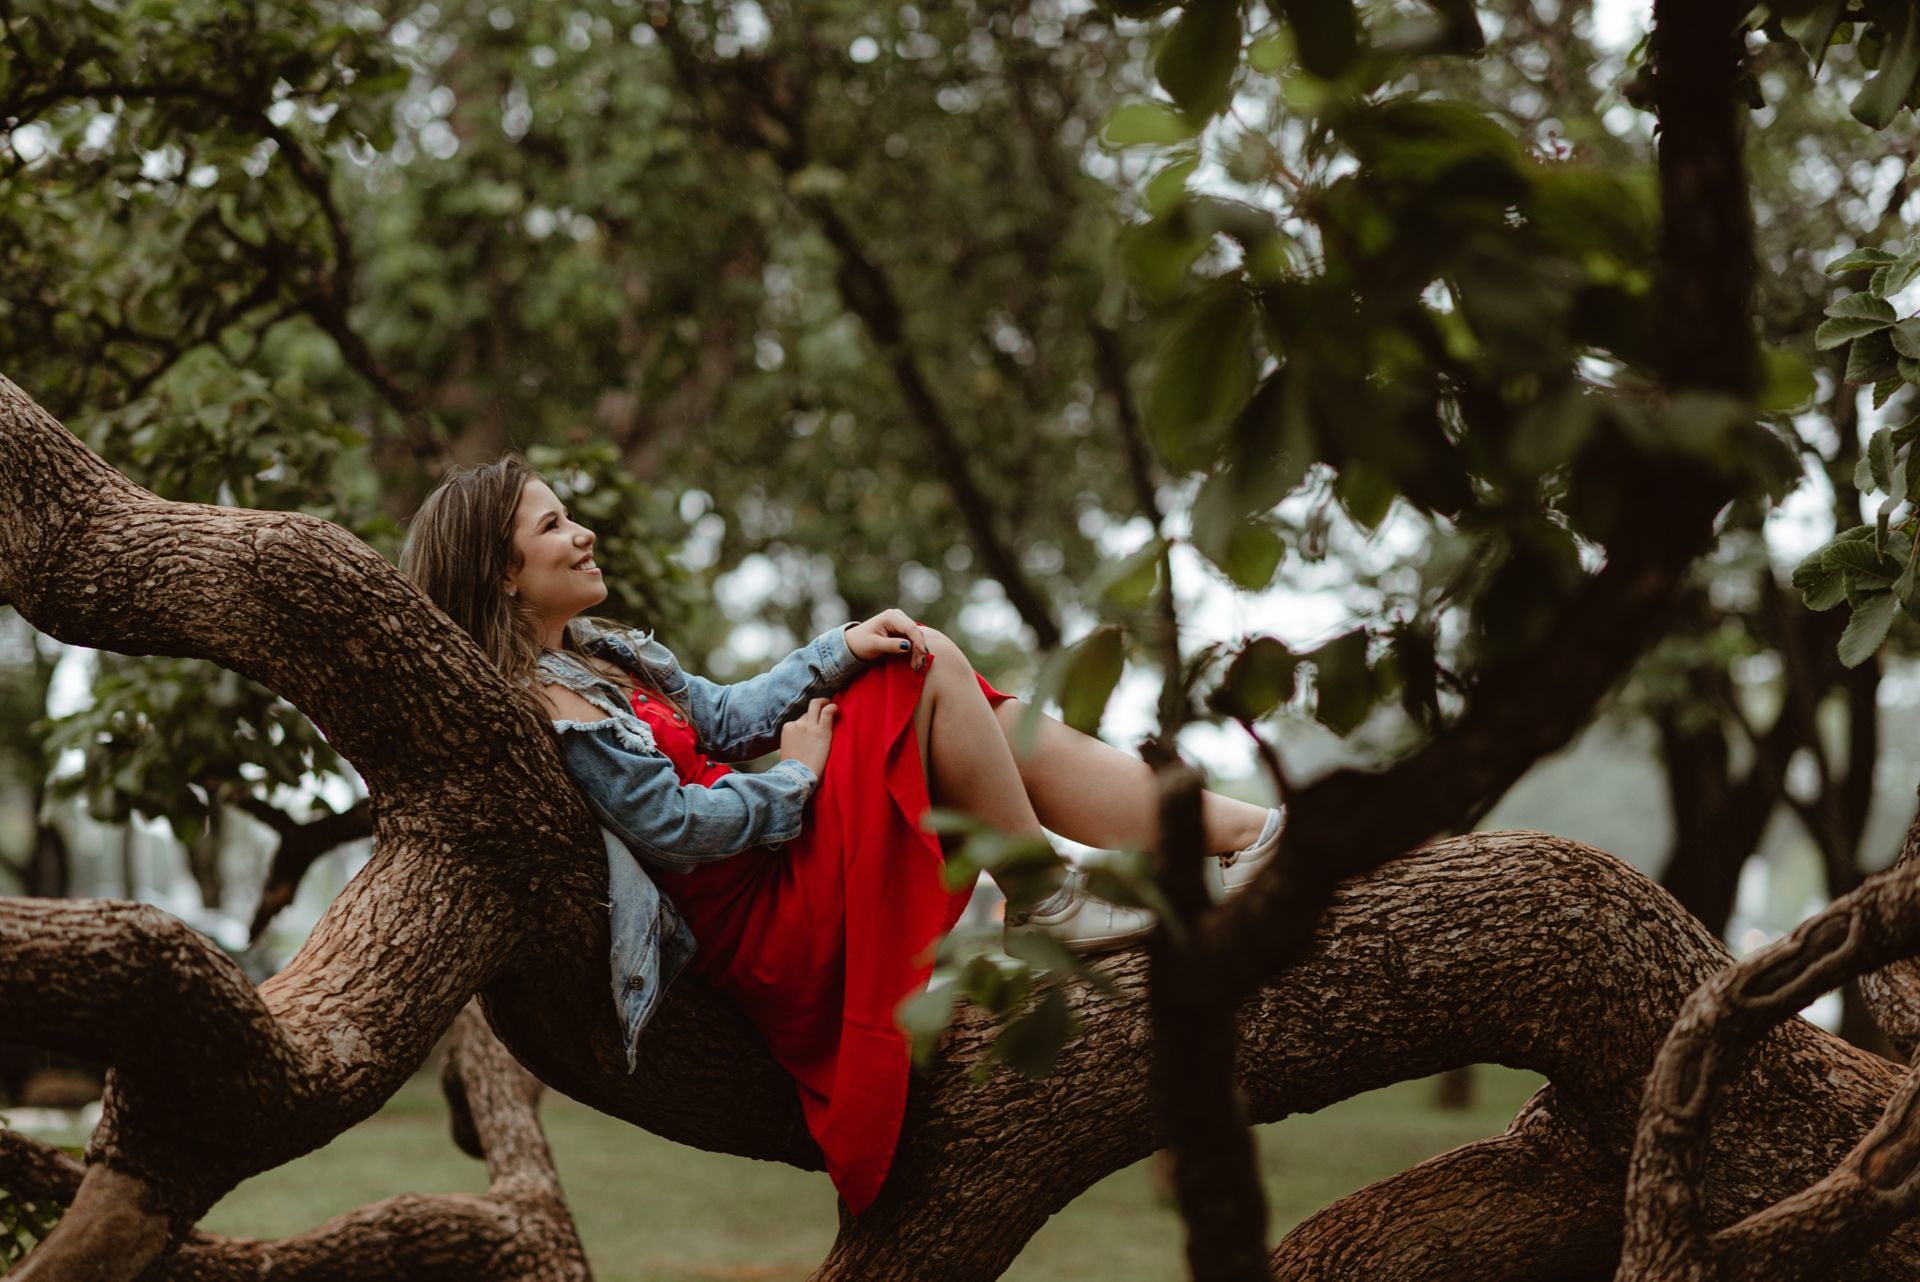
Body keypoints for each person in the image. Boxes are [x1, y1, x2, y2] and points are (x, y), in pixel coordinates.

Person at [400, 454, 1283, 1214]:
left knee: (951, 690)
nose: (584, 532)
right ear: (504, 572)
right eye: (555, 524)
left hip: (780, 863)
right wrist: (799, 779)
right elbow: (668, 828)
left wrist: (843, 647)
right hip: (765, 921)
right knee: (930, 667)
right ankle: (1049, 900)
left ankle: (1245, 834)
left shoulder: (601, 654)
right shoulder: (545, 709)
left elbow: (726, 713)